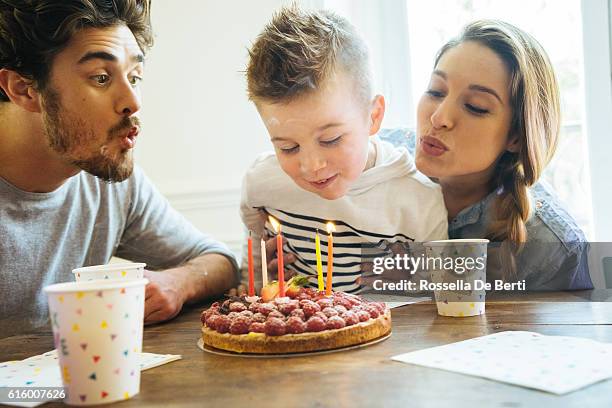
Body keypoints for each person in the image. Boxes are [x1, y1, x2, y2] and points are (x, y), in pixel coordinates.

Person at [0, 0, 238, 337]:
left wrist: (177, 282)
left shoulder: (109, 180)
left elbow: (219, 261)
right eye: (100, 78)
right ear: (24, 90)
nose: (134, 101)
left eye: (134, 76)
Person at [239, 6, 448, 294]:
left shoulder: (418, 201)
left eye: (331, 139)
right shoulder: (261, 184)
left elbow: (446, 295)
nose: (312, 166)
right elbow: (253, 271)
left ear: (373, 116)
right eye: (288, 147)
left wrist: (413, 283)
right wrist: (263, 277)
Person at [380, 20, 592, 290]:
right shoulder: (365, 160)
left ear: (515, 136)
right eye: (435, 91)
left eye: (475, 107)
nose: (438, 117)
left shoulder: (554, 248)